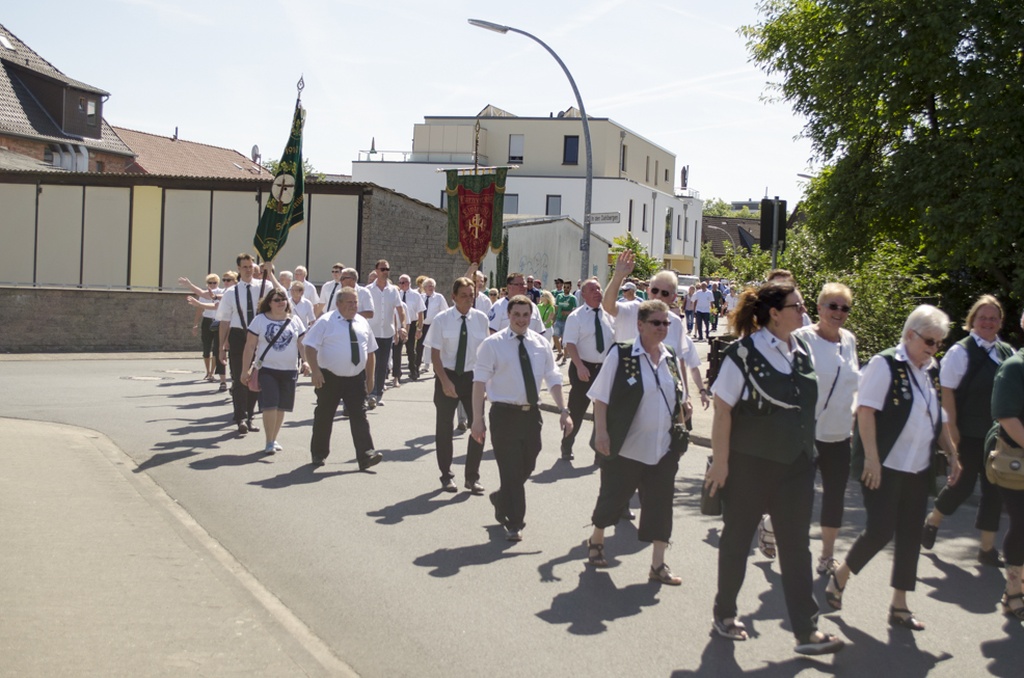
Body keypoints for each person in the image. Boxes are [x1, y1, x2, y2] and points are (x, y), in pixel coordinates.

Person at [705, 280, 844, 655]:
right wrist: (721, 463)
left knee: (797, 548)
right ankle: (725, 613)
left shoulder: (802, 351)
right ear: (775, 313)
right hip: (750, 465)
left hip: (796, 465)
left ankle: (806, 631)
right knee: (737, 542)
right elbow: (722, 410)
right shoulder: (743, 353)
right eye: (797, 306)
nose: (804, 311)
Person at [826, 305, 960, 632]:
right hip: (884, 465)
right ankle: (841, 574)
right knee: (881, 530)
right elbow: (866, 411)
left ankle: (900, 605)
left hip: (918, 466)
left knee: (911, 535)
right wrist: (872, 459)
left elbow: (938, 417)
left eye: (939, 343)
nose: (934, 348)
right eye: (929, 341)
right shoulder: (885, 364)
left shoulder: (931, 370)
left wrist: (952, 454)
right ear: (910, 334)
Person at [586, 300, 692, 584]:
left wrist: (683, 420)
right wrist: (602, 432)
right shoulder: (622, 354)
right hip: (627, 446)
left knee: (660, 504)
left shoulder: (669, 355)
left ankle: (658, 564)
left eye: (666, 323)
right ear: (640, 325)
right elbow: (600, 396)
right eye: (656, 322)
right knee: (613, 496)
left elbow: (677, 398)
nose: (662, 328)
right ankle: (597, 538)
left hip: (663, 448)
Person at [472, 295, 571, 541]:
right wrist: (477, 419)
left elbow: (553, 377)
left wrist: (563, 409)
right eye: (516, 314)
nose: (521, 320)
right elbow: (479, 382)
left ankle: (501, 497)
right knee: (511, 470)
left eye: (526, 315)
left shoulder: (540, 343)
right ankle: (515, 522)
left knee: (529, 464)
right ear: (508, 315)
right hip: (503, 415)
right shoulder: (492, 344)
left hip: (531, 415)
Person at [923, 295, 1013, 566]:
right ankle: (933, 520)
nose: (988, 322)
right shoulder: (960, 352)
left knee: (995, 489)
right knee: (961, 485)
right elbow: (947, 394)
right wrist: (952, 433)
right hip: (967, 432)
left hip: (998, 434)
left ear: (1000, 322)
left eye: (993, 318)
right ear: (972, 320)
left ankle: (987, 549)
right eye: (983, 317)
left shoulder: (1006, 352)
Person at [793, 283, 860, 575]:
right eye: (832, 306)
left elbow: (853, 383)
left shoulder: (849, 341)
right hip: (807, 433)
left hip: (840, 434)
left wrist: (855, 417)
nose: (838, 312)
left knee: (834, 497)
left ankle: (826, 556)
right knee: (799, 496)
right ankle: (773, 525)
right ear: (819, 308)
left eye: (844, 308)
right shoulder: (802, 338)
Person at [304, 287, 382, 470]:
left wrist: (370, 378)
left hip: (355, 379)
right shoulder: (326, 321)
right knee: (324, 416)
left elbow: (371, 352)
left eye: (355, 302)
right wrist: (315, 371)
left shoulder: (362, 322)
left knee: (359, 415)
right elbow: (309, 346)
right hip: (329, 378)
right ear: (338, 304)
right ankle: (319, 453)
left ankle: (366, 455)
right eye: (349, 302)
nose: (353, 306)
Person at [424, 277, 488, 493]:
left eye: (471, 295)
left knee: (479, 427)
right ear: (453, 297)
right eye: (464, 296)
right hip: (448, 375)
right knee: (444, 429)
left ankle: (472, 477)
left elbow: (485, 355)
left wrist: (485, 383)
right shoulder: (442, 320)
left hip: (473, 378)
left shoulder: (480, 319)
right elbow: (435, 355)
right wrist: (444, 381)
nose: (469, 299)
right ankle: (446, 475)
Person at [986, 311, 1024, 620]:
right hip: (1016, 460)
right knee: (1022, 524)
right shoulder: (1014, 367)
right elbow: (1006, 416)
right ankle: (1013, 592)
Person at [242, 289, 309, 454]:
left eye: (283, 299)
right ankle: (269, 441)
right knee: (270, 404)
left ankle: (274, 438)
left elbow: (302, 343)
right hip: (267, 369)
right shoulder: (260, 320)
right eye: (276, 300)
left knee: (281, 407)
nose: (281, 303)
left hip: (289, 370)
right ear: (269, 303)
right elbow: (250, 346)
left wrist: (306, 361)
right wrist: (245, 370)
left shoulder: (295, 320)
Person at [560, 278, 613, 461]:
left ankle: (599, 450)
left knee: (603, 413)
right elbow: (570, 344)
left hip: (604, 369)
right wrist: (580, 366)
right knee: (577, 410)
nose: (597, 292)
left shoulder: (610, 315)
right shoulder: (576, 316)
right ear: (583, 294)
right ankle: (567, 445)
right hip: (583, 367)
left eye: (599, 288)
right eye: (592, 289)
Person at [216, 254, 268, 436]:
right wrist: (221, 347)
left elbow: (283, 296)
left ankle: (250, 416)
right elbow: (224, 321)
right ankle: (241, 417)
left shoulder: (264, 286)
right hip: (238, 336)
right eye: (244, 267)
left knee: (254, 378)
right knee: (240, 376)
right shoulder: (231, 292)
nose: (248, 270)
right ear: (238, 269)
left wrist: (269, 271)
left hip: (259, 337)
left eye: (250, 266)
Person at [366, 259, 406, 407]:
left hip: (387, 333)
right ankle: (370, 393)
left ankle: (378, 394)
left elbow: (400, 310)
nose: (385, 272)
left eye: (387, 269)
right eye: (382, 269)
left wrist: (402, 327)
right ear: (376, 271)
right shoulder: (368, 290)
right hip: (372, 333)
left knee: (383, 365)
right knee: (372, 365)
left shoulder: (393, 290)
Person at [415, 277, 447, 377]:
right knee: (419, 347)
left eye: (432, 286)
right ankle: (415, 369)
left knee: (435, 348)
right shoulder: (420, 297)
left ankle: (436, 371)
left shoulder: (439, 297)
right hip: (422, 325)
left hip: (434, 326)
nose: (431, 288)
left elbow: (445, 311)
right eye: (429, 286)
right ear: (424, 287)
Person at [397, 274, 426, 380]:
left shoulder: (416, 295)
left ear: (409, 283)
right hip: (398, 324)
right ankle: (397, 372)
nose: (402, 285)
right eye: (400, 282)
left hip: (412, 324)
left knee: (410, 349)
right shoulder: (397, 294)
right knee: (397, 349)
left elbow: (420, 313)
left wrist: (420, 328)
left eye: (404, 282)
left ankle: (413, 370)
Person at [553, 278, 578, 363]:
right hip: (558, 320)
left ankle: (565, 356)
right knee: (555, 336)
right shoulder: (559, 296)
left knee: (565, 340)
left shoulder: (572, 298)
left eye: (568, 287)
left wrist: (567, 312)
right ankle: (560, 352)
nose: (566, 289)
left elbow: (576, 310)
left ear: (570, 288)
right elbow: (556, 308)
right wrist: (554, 318)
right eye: (565, 287)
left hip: (567, 322)